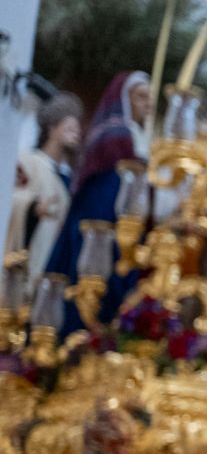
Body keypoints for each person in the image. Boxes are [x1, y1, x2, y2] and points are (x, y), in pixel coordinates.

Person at [45, 71, 153, 328]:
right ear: (123, 99)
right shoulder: (115, 135)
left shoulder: (138, 138)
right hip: (101, 230)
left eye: (150, 98)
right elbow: (106, 192)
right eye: (140, 97)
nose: (148, 104)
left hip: (123, 230)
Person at [10, 94, 83, 277]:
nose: (77, 133)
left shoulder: (70, 177)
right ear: (52, 128)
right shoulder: (29, 163)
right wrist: (33, 207)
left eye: (78, 128)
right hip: (26, 259)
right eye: (70, 127)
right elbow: (10, 200)